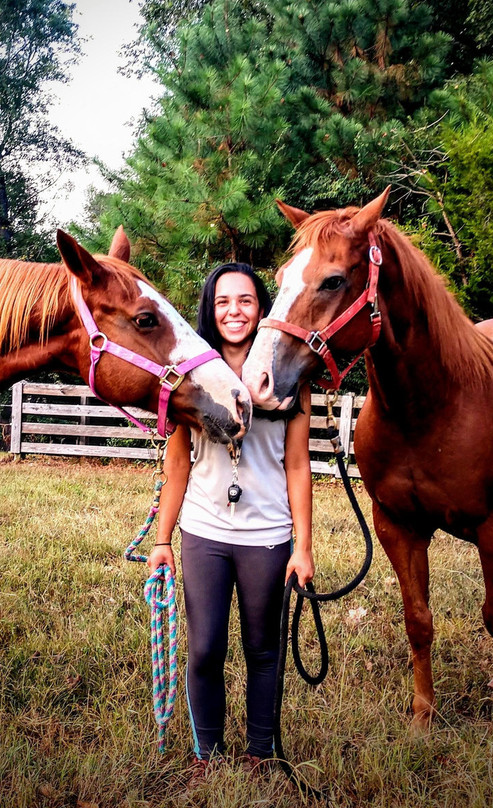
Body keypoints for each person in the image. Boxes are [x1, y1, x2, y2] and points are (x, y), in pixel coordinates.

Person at [147, 262, 314, 767]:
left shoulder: (289, 376)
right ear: (209, 309)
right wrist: (161, 540)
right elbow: (177, 464)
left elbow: (299, 465)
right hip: (205, 532)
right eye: (222, 302)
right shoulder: (192, 376)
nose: (233, 311)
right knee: (204, 651)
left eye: (245, 300)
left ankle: (261, 753)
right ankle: (207, 753)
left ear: (261, 308)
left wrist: (303, 547)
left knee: (265, 651)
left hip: (267, 534)